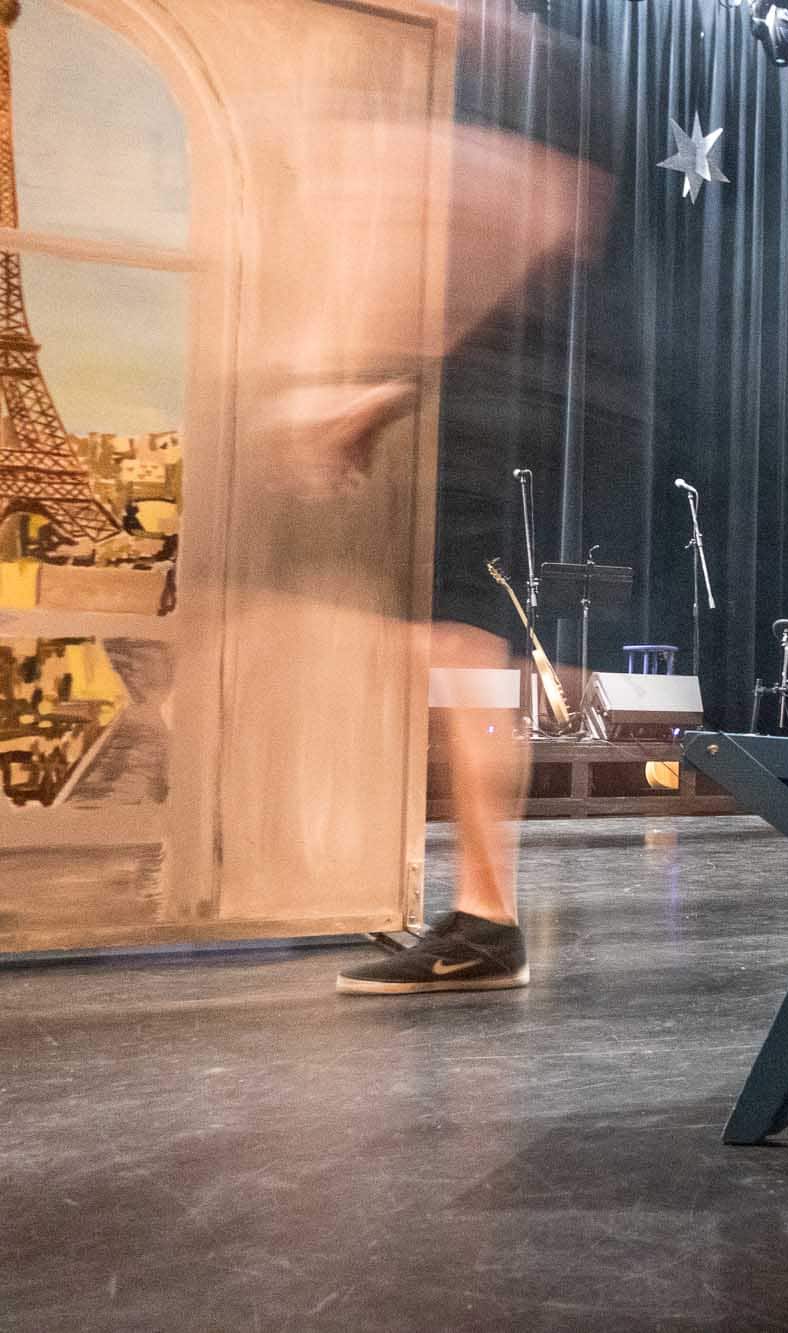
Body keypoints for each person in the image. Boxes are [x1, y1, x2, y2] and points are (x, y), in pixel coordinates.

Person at [262, 13, 618, 994]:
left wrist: (368, 393)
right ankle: (480, 913)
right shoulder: (512, 78)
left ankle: (487, 919)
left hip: (518, 405)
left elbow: (529, 223)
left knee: (459, 653)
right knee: (453, 650)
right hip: (509, 399)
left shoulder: (534, 83)